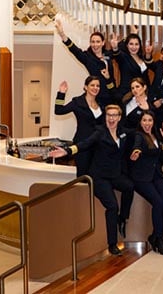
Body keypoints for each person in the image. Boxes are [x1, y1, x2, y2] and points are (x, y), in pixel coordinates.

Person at [49, 104, 134, 256]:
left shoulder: (123, 133)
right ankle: (112, 244)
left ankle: (123, 218)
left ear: (119, 118)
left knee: (129, 187)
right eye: (109, 115)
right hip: (99, 176)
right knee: (112, 206)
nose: (111, 118)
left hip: (115, 175)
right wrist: (68, 151)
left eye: (115, 115)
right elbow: (84, 144)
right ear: (106, 117)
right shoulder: (100, 132)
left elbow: (137, 135)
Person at [129, 111, 163, 255]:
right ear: (140, 122)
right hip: (141, 177)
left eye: (150, 120)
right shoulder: (139, 135)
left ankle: (154, 236)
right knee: (158, 202)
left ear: (153, 122)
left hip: (157, 175)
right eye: (144, 120)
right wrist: (136, 151)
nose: (147, 123)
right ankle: (159, 239)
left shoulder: (156, 136)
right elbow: (137, 146)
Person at [55, 19, 118, 106]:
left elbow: (122, 51)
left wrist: (115, 47)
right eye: (93, 42)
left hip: (112, 94)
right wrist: (62, 34)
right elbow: (74, 49)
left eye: (98, 42)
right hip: (97, 96)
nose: (95, 45)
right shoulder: (87, 57)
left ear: (103, 43)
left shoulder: (108, 54)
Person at [54, 77, 105, 176]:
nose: (95, 88)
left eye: (98, 86)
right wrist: (61, 93)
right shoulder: (77, 102)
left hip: (98, 144)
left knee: (96, 175)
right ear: (85, 87)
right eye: (92, 85)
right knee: (83, 174)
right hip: (82, 144)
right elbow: (59, 110)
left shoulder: (101, 103)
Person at [110, 32, 153, 97]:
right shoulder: (124, 57)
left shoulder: (141, 58)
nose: (134, 47)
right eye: (131, 44)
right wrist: (115, 48)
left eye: (136, 44)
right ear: (127, 45)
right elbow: (117, 55)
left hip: (142, 94)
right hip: (127, 94)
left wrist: (148, 54)